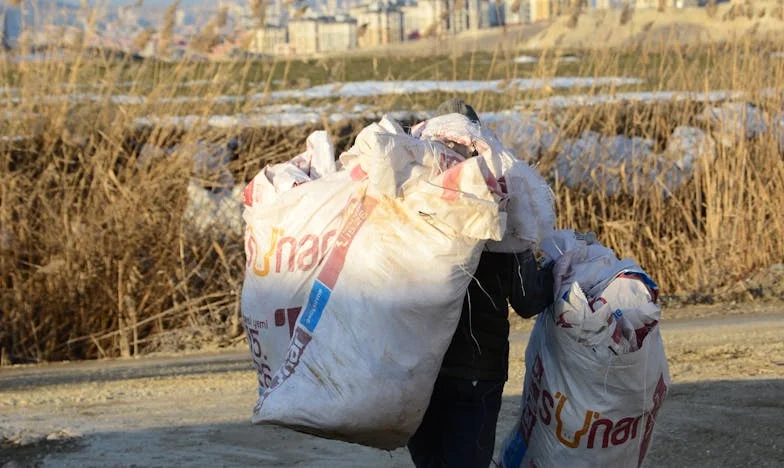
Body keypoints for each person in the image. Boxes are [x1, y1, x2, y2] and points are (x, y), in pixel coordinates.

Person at [406, 99, 555, 468]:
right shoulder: (502, 205)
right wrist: (559, 271)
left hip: (416, 369)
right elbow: (528, 299)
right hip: (475, 371)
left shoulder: (406, 206)